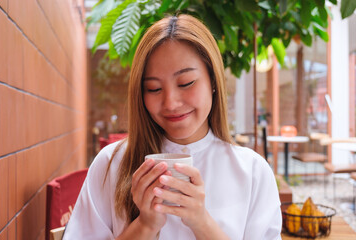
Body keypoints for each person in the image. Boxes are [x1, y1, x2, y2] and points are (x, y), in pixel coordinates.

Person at [63, 14, 282, 239]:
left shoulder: (253, 172)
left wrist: (202, 222)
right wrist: (145, 224)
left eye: (186, 83)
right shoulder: (111, 164)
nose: (171, 103)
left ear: (214, 81)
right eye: (154, 89)